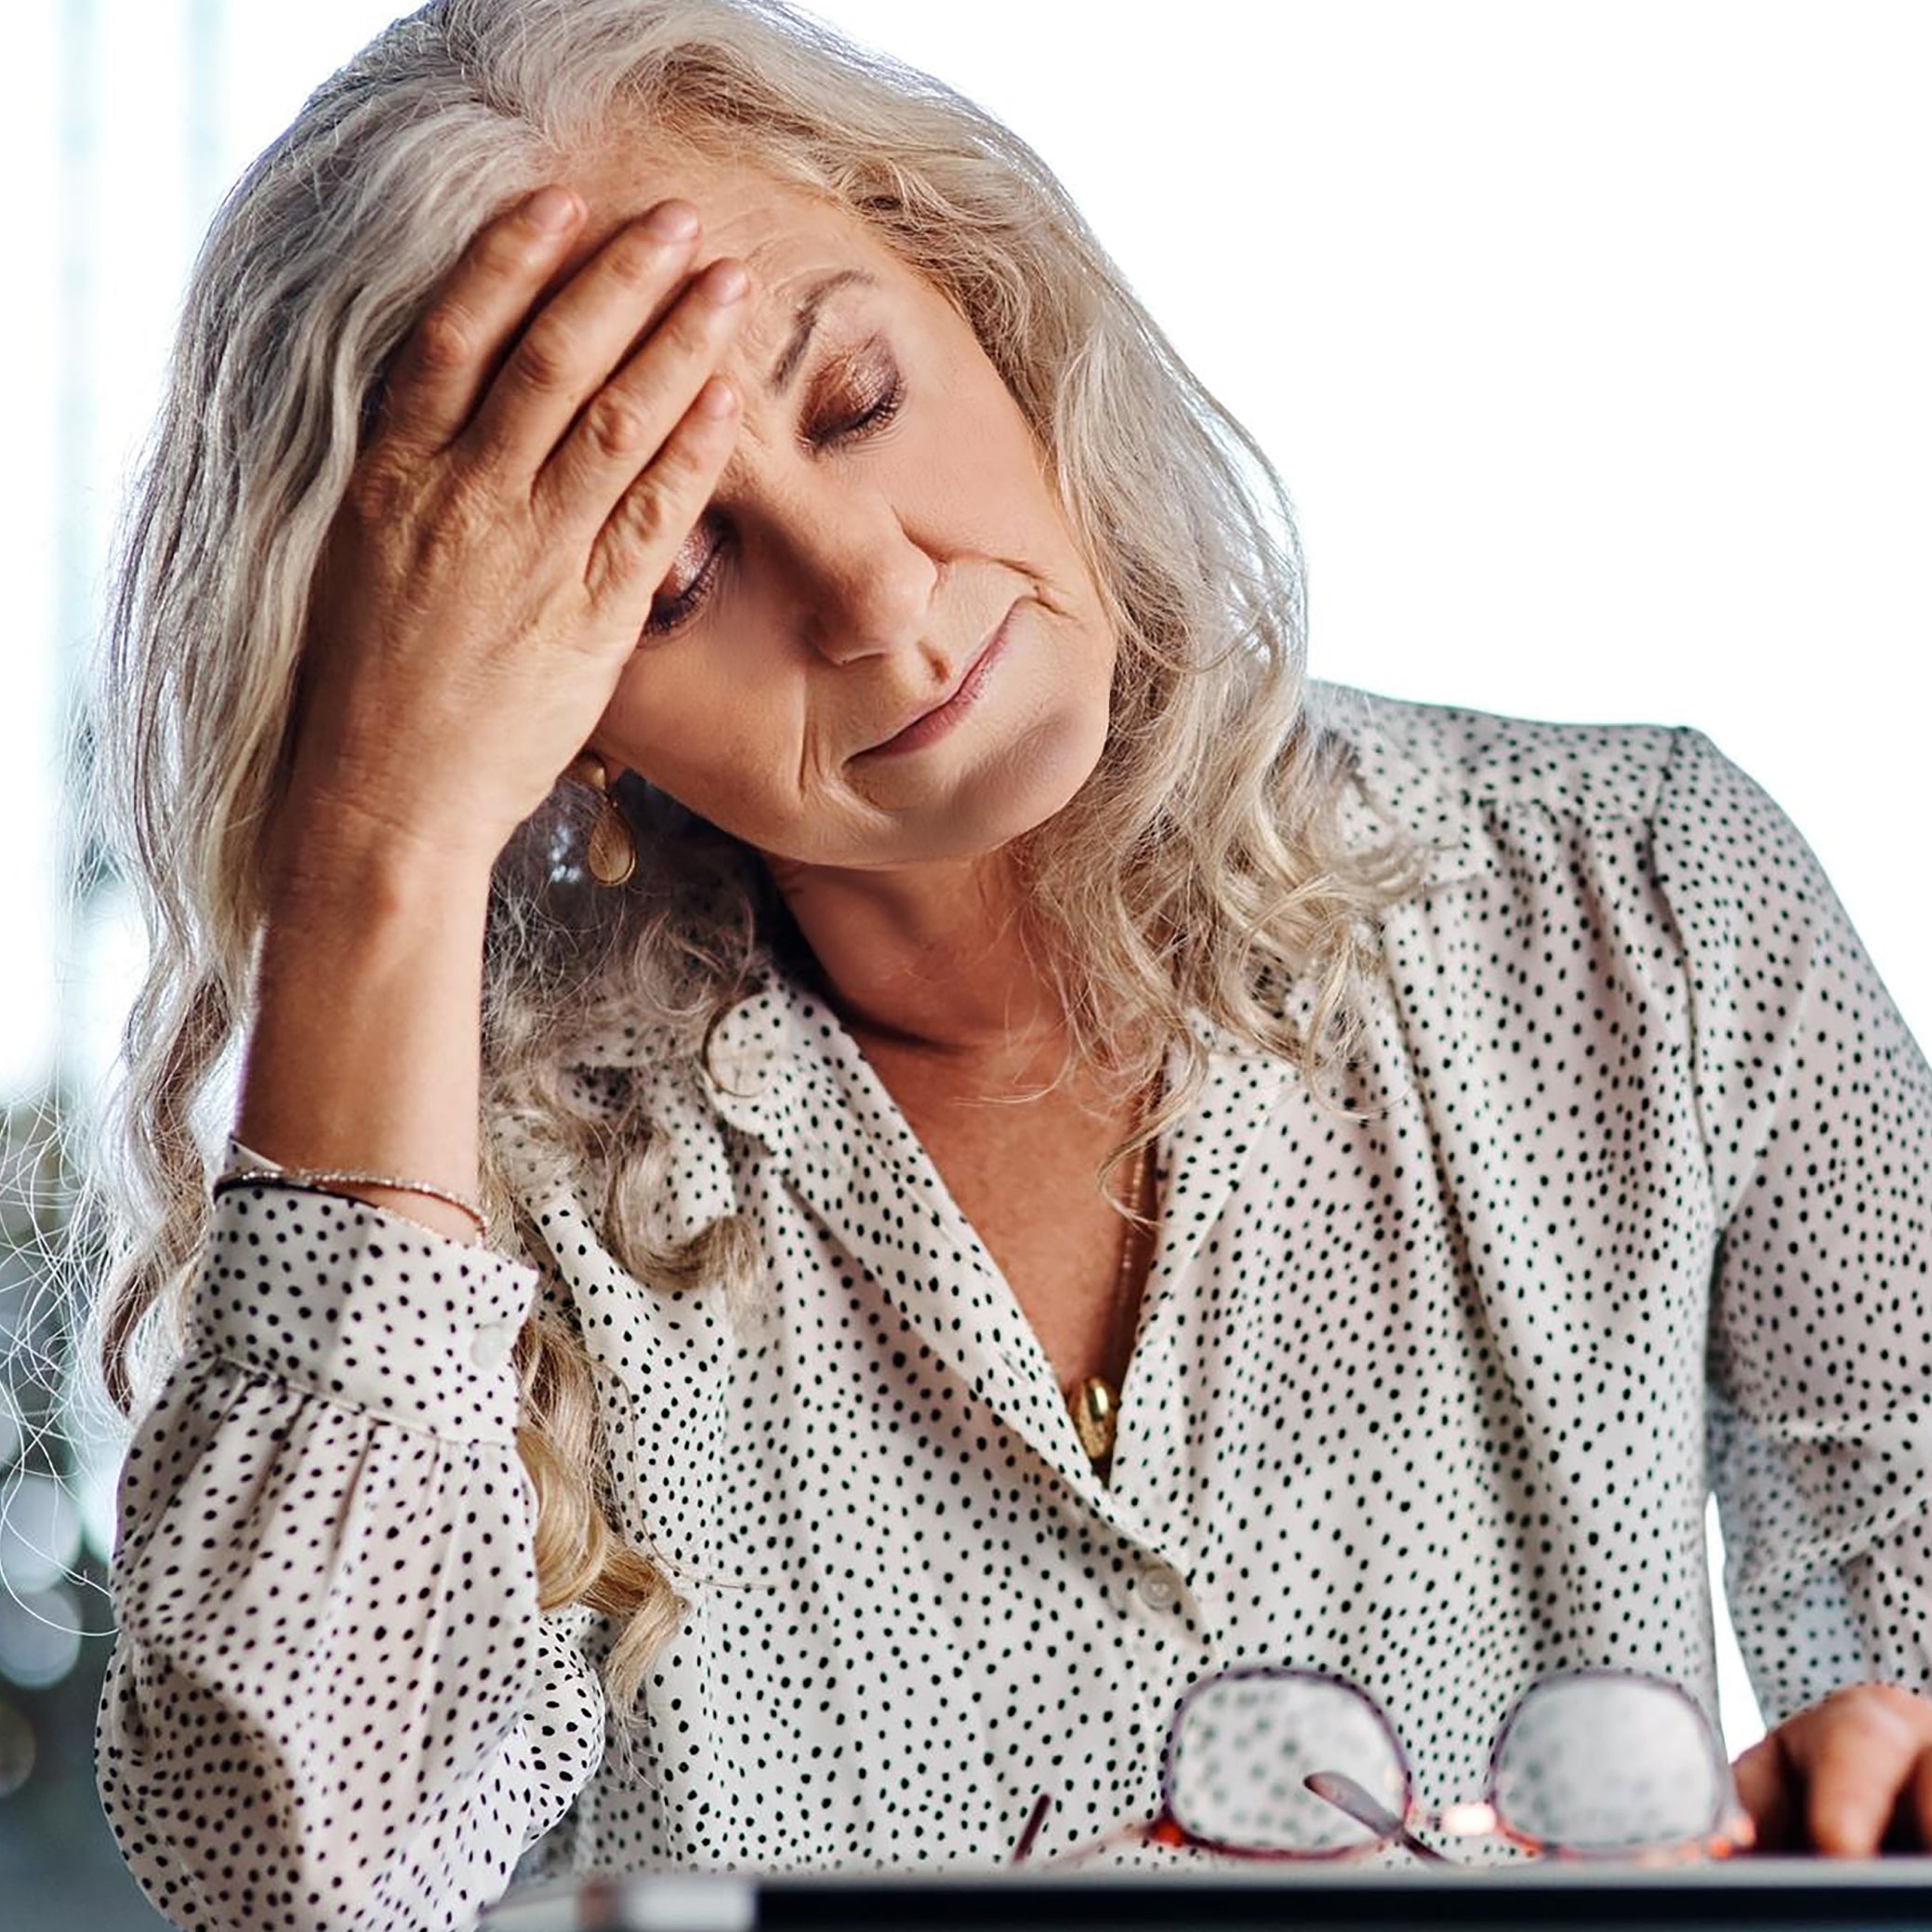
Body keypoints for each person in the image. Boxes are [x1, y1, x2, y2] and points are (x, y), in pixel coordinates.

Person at [82, 0, 1931, 1927]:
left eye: (856, 399)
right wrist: (381, 848)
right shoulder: (473, 1212)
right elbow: (298, 1884)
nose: (876, 593)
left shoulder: (1641, 907)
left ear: (986, 301)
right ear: (554, 715)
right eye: (670, 577)